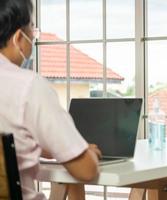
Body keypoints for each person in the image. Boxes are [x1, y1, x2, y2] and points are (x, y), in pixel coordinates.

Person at [0, 0, 101, 199]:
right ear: (19, 37)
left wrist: (49, 149)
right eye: (32, 30)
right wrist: (87, 154)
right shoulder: (28, 86)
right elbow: (86, 171)